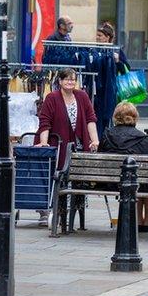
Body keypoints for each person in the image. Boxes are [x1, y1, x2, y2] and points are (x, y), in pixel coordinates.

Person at [35, 68, 99, 226]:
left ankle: (74, 212)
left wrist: (95, 140)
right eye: (67, 79)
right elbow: (45, 122)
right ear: (60, 81)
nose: (70, 82)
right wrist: (44, 142)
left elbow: (91, 119)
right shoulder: (52, 97)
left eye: (73, 79)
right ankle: (55, 212)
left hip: (78, 144)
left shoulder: (82, 96)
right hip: (59, 145)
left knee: (76, 179)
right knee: (59, 178)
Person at [99, 101, 148, 232]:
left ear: (116, 117)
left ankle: (136, 220)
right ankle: (146, 221)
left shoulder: (107, 134)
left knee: (138, 182)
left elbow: (100, 157)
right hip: (136, 182)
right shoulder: (141, 137)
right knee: (146, 182)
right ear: (135, 117)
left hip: (110, 182)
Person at [93, 22, 130, 137]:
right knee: (96, 114)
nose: (97, 38)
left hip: (111, 90)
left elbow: (126, 69)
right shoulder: (94, 50)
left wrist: (118, 61)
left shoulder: (117, 50)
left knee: (109, 114)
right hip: (96, 89)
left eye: (100, 36)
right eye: (97, 35)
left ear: (107, 37)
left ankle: (108, 137)